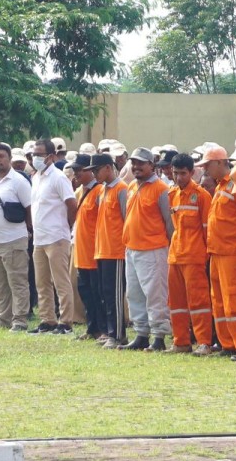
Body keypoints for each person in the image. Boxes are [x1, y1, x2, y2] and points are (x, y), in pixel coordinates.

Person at [204, 150, 236, 360]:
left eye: (208, 165)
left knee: (235, 299)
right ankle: (228, 343)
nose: (205, 169)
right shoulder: (220, 186)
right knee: (218, 301)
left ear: (219, 162)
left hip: (233, 253)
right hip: (217, 252)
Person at [119, 147, 173, 351]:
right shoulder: (132, 185)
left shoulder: (160, 189)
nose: (136, 166)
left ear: (152, 165)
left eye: (141, 163)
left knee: (155, 294)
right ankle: (141, 334)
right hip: (132, 248)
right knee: (134, 293)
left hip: (154, 249)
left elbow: (169, 222)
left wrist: (166, 247)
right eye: (134, 163)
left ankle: (158, 336)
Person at [28, 138, 78, 335]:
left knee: (61, 281)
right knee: (42, 282)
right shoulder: (36, 177)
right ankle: (47, 319)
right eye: (33, 154)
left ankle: (65, 322)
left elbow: (72, 204)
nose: (35, 158)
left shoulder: (58, 177)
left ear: (50, 156)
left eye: (39, 154)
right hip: (40, 238)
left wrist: (67, 226)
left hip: (56, 237)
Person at [0, 143, 34, 332]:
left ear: (9, 158)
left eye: (1, 156)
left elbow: (29, 208)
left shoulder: (19, 181)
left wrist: (29, 231)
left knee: (18, 282)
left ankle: (20, 320)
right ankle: (3, 318)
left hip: (13, 240)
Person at [167, 153, 213, 355]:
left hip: (194, 256)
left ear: (192, 173)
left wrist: (206, 255)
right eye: (176, 173)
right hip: (175, 255)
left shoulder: (202, 196)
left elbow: (207, 230)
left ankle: (203, 342)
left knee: (198, 301)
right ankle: (181, 341)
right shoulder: (172, 194)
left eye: (183, 174)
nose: (179, 178)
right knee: (175, 302)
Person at [91, 153, 129, 347]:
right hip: (102, 249)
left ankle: (118, 334)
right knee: (105, 293)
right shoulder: (102, 190)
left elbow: (126, 219)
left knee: (115, 294)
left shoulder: (121, 189)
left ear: (108, 167)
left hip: (116, 251)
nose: (94, 174)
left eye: (96, 170)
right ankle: (109, 331)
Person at [70, 154, 105, 340]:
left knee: (97, 293)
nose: (76, 174)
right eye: (74, 170)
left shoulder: (99, 191)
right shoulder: (80, 192)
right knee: (86, 293)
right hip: (81, 251)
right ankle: (92, 328)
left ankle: (101, 328)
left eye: (79, 170)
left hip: (94, 252)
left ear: (90, 171)